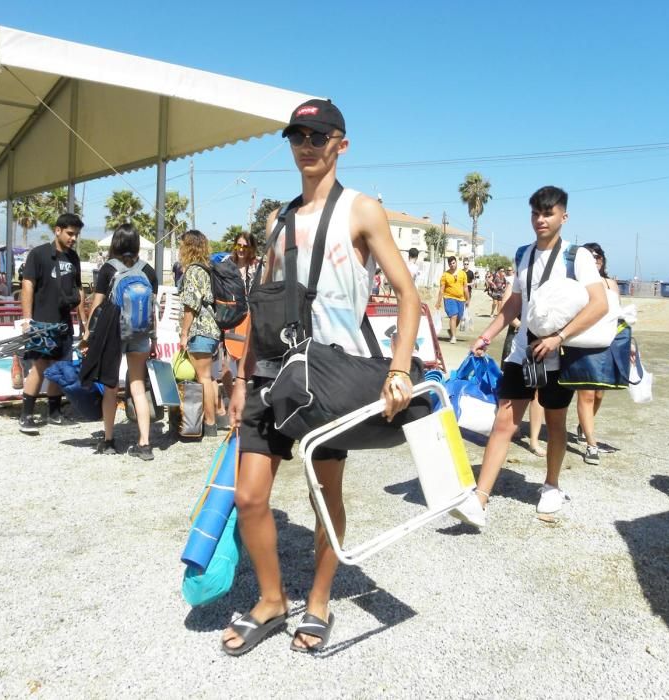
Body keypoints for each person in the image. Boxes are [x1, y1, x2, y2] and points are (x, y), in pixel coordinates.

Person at [221, 98, 419, 655]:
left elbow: (408, 295)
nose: (305, 146)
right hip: (268, 375)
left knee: (324, 493)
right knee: (250, 498)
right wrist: (240, 379)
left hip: (327, 379)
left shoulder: (362, 210)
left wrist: (398, 369)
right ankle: (270, 600)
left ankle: (319, 601)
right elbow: (262, 306)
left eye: (317, 135)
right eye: (296, 137)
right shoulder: (276, 220)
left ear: (341, 144)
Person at [468, 185, 606, 524]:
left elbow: (599, 304)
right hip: (523, 351)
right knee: (503, 422)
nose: (540, 219)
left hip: (558, 355)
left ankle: (551, 485)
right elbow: (516, 300)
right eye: (535, 213)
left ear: (564, 216)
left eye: (548, 213)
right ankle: (480, 498)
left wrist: (560, 337)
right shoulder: (523, 254)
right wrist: (487, 334)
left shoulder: (578, 256)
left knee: (556, 423)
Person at [90, 224, 158, 458]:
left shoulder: (109, 269)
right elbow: (153, 309)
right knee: (138, 386)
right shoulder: (149, 271)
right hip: (140, 334)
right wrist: (154, 339)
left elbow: (97, 305)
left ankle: (109, 440)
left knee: (111, 387)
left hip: (113, 332)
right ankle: (145, 444)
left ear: (116, 243)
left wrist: (89, 334)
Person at [17, 212, 85, 435]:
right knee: (38, 367)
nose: (73, 238)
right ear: (57, 230)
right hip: (42, 322)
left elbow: (80, 290)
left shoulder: (74, 258)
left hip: (65, 323)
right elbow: (27, 285)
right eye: (69, 233)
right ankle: (26, 415)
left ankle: (54, 413)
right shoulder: (39, 254)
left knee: (60, 369)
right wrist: (28, 319)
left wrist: (84, 321)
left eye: (76, 234)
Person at [574, 243, 620, 465]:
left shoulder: (610, 283)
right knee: (587, 394)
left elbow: (619, 315)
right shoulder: (577, 284)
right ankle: (592, 445)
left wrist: (627, 343)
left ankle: (584, 425)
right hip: (583, 343)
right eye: (591, 256)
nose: (596, 259)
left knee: (599, 394)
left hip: (606, 343)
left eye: (599, 255)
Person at [178, 230, 220, 438]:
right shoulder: (207, 269)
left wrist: (184, 333)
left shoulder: (193, 271)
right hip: (212, 330)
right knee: (209, 377)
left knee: (202, 377)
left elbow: (190, 306)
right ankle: (216, 416)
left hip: (200, 330)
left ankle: (209, 424)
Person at [499, 282, 544, 457]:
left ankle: (534, 439)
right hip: (517, 339)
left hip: (537, 340)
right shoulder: (516, 281)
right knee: (511, 390)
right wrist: (519, 324)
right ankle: (512, 427)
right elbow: (505, 307)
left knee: (537, 390)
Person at [435, 256, 468, 343]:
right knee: (453, 316)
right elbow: (441, 289)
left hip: (461, 299)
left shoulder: (463, 274)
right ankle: (453, 336)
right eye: (450, 264)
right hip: (449, 298)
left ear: (456, 262)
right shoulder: (445, 275)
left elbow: (465, 288)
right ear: (448, 265)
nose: (452, 265)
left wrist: (467, 299)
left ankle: (451, 330)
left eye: (453, 263)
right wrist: (438, 302)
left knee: (459, 317)